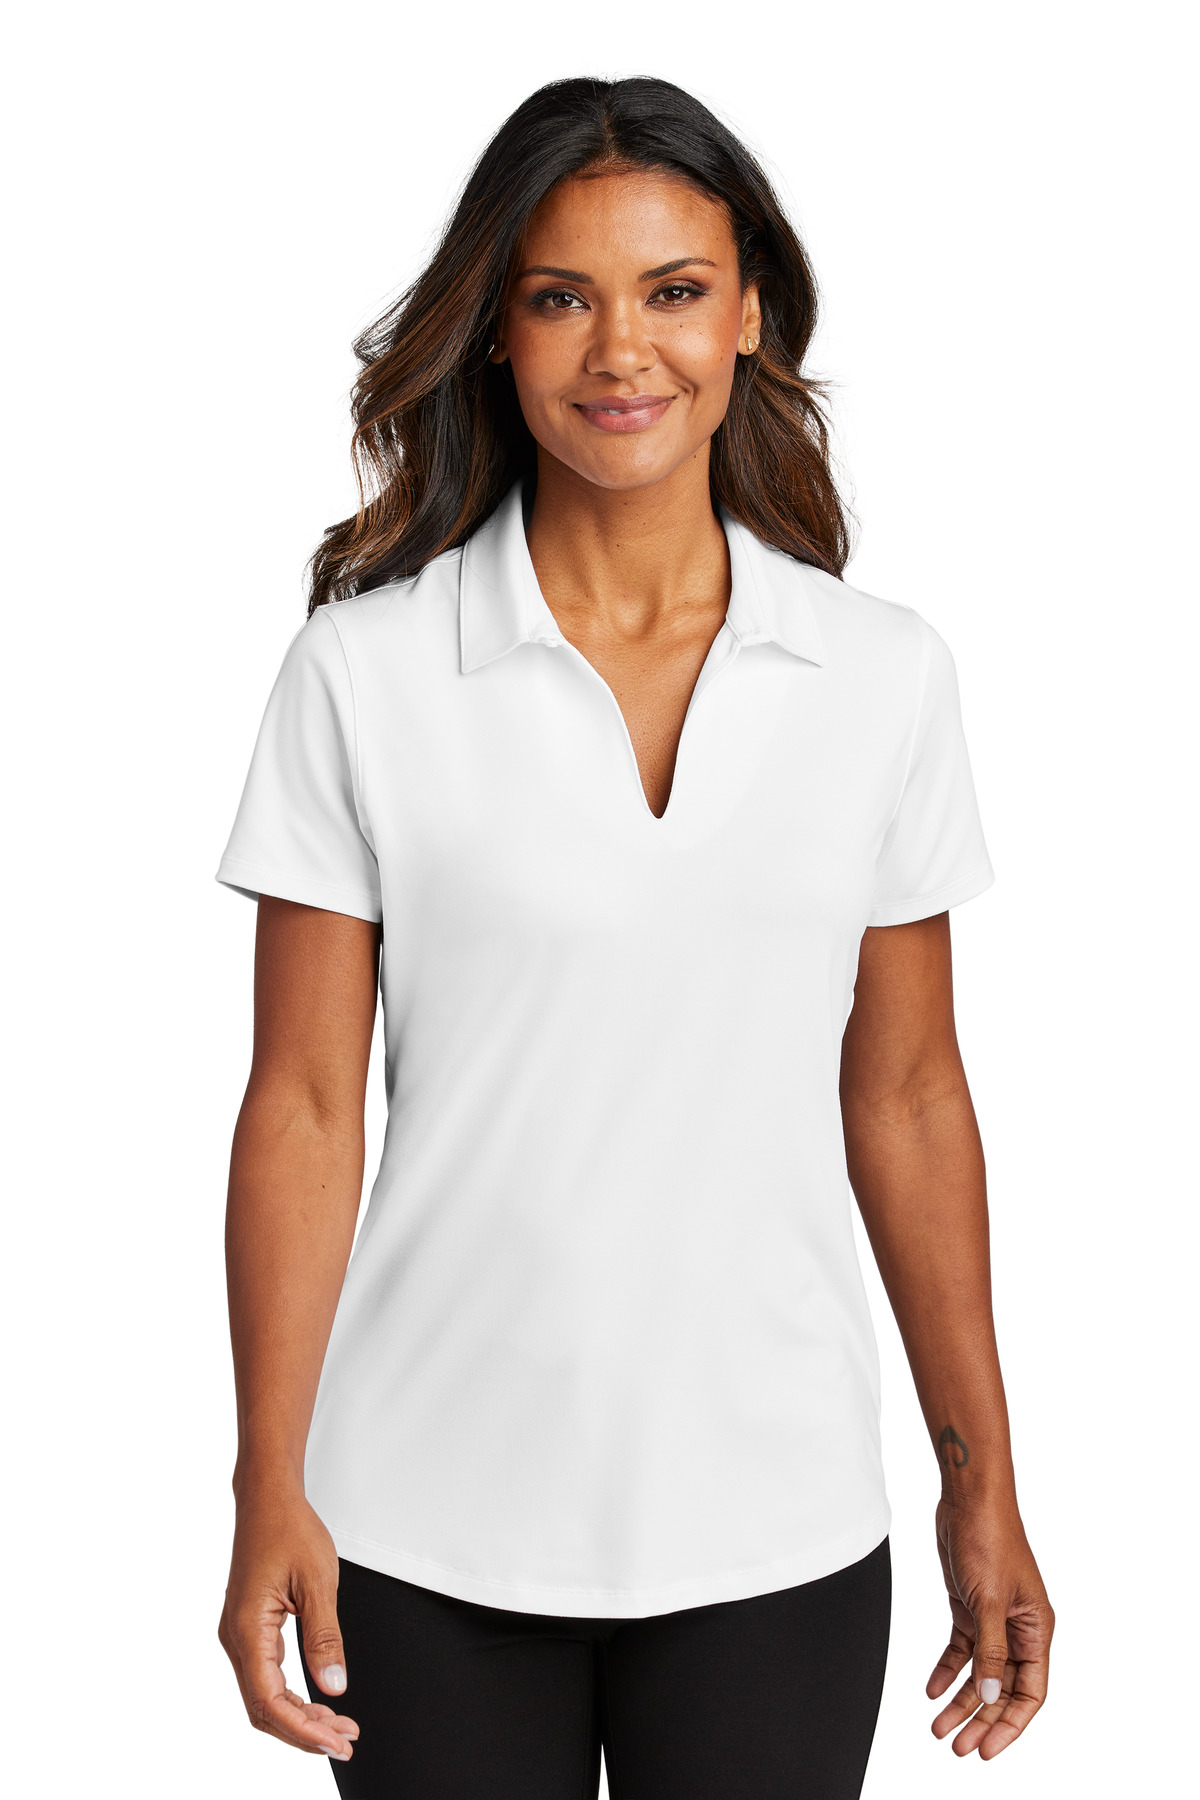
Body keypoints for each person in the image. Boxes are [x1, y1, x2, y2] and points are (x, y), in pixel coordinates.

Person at [215, 75, 1054, 1799]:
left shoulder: (882, 678)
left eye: (674, 290)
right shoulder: (364, 676)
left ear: (748, 315)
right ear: (497, 330)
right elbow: (301, 1106)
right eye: (560, 297)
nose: (622, 350)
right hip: (420, 1530)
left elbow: (908, 1096)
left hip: (779, 1530)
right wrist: (265, 1484)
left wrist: (982, 1477)